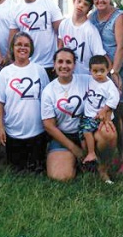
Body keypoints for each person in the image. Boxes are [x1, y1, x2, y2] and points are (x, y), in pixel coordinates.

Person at [89, 0, 123, 174]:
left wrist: (114, 73)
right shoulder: (91, 17)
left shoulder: (119, 17)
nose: (100, 0)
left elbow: (120, 46)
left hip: (122, 70)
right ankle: (116, 155)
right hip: (102, 73)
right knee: (112, 115)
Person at [0, 32, 50, 173]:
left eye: (26, 45)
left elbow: (47, 100)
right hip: (13, 131)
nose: (22, 48)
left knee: (36, 169)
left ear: (31, 49)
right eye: (19, 44)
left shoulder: (40, 70)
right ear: (12, 48)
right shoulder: (5, 73)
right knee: (17, 170)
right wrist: (0, 128)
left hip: (37, 131)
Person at [41, 48, 89, 182]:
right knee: (61, 176)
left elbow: (107, 86)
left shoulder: (87, 81)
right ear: (54, 64)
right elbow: (49, 126)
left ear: (74, 65)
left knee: (107, 134)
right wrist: (74, 148)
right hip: (63, 136)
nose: (64, 66)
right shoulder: (49, 91)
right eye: (60, 61)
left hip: (87, 134)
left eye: (68, 62)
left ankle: (101, 164)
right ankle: (73, 159)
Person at [10, 0, 63, 80]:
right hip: (27, 64)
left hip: (49, 65)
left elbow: (61, 33)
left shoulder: (49, 5)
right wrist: (13, 61)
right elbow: (12, 39)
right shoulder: (15, 10)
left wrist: (59, 58)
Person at [80, 55, 119, 183]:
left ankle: (93, 155)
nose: (98, 74)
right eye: (95, 71)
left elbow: (114, 99)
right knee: (84, 137)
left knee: (86, 131)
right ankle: (89, 162)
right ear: (90, 71)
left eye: (102, 71)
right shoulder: (89, 80)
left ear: (108, 70)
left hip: (100, 118)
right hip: (89, 116)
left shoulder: (109, 85)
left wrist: (105, 110)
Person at [57, 0, 106, 75]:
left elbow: (99, 56)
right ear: (73, 1)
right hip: (67, 75)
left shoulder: (91, 31)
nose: (81, 5)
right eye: (79, 1)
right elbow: (60, 46)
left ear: (89, 9)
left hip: (85, 77)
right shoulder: (64, 24)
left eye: (85, 4)